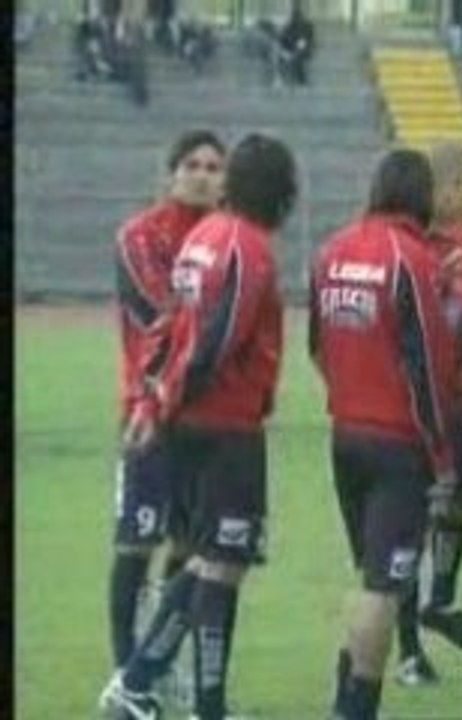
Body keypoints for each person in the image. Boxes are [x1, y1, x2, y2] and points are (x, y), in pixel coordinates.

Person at [99, 133, 298, 720]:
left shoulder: (203, 239)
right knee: (217, 560)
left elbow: (168, 330)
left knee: (211, 560)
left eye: (218, 168)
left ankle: (203, 701)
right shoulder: (245, 247)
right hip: (224, 424)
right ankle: (136, 679)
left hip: (186, 421)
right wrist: (160, 401)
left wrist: (153, 400)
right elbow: (213, 339)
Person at [309, 149, 458, 720]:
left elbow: (318, 345)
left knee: (370, 575)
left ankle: (344, 698)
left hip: (346, 434)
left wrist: (348, 395)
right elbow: (427, 365)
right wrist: (443, 456)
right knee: (384, 583)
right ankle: (357, 709)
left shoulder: (332, 250)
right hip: (399, 444)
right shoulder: (411, 258)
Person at [108, 129, 226, 709]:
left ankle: (155, 667)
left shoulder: (222, 239)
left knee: (192, 546)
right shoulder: (138, 236)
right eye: (193, 165)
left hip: (205, 420)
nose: (203, 175)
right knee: (136, 543)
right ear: (172, 173)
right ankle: (124, 672)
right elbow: (162, 317)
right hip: (148, 414)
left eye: (213, 167)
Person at [392, 142, 462, 687]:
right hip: (419, 405)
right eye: (453, 186)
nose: (460, 196)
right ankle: (407, 647)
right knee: (412, 522)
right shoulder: (413, 247)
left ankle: (441, 597)